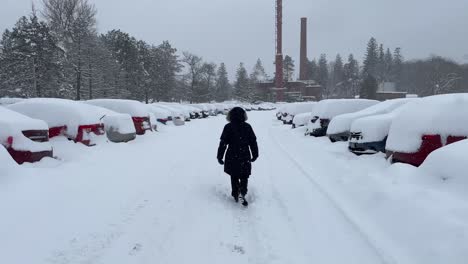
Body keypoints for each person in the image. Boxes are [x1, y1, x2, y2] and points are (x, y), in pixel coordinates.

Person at [217, 107, 259, 205]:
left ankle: (236, 193)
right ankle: (243, 192)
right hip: (244, 154)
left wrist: (220, 156)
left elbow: (223, 143)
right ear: (244, 115)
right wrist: (255, 154)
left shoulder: (228, 127)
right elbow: (253, 142)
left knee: (234, 175)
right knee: (244, 175)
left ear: (230, 116)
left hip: (232, 154)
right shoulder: (247, 126)